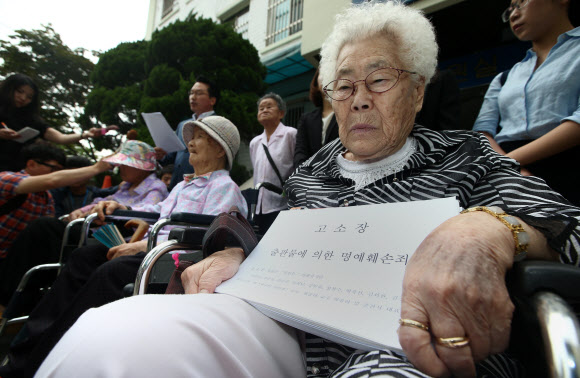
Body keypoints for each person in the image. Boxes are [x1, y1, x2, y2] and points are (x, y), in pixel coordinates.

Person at [32, 2, 580, 378]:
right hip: (286, 327)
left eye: (380, 79)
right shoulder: (313, 172)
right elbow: (271, 233)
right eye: (343, 84)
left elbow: (569, 230)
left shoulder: (467, 156)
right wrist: (233, 250)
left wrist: (491, 229)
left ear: (416, 91)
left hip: (412, 343)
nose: (359, 98)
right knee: (119, 333)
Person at [0, 116, 247, 377]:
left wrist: (142, 245)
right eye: (192, 137)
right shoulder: (183, 186)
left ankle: (48, 359)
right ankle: (26, 351)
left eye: (199, 137)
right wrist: (124, 207)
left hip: (173, 260)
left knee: (111, 271)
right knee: (86, 255)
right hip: (151, 248)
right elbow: (158, 212)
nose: (191, 143)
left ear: (220, 149)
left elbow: (210, 235)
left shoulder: (224, 187)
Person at [472, 0, 580, 205]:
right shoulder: (505, 77)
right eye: (509, 9)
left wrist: (507, 163)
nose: (513, 15)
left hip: (568, 168)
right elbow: (482, 132)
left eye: (520, 3)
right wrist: (513, 170)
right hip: (511, 175)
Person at [0, 143, 111, 308]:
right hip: (5, 260)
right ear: (31, 164)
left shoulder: (46, 198)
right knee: (45, 226)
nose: (57, 174)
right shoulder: (7, 179)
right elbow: (54, 180)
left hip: (19, 259)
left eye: (60, 169)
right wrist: (97, 168)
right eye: (53, 168)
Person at [0, 74, 117, 172]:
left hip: (16, 172)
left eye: (29, 97)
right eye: (20, 92)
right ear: (9, 88)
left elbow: (61, 138)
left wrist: (86, 135)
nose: (23, 98)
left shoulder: (32, 120)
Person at [66, 140, 168, 222]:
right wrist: (82, 210)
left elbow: (148, 214)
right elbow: (105, 201)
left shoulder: (156, 187)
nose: (120, 167)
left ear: (143, 168)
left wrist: (120, 209)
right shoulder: (126, 186)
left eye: (125, 164)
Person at [155, 75, 219, 191]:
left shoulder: (218, 124)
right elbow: (172, 157)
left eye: (199, 93)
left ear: (212, 100)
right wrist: (161, 155)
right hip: (177, 187)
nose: (193, 97)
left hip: (203, 187)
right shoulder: (182, 125)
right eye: (191, 93)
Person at [250, 93, 297, 234]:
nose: (264, 110)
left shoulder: (291, 134)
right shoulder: (255, 142)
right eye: (261, 108)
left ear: (281, 113)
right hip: (260, 207)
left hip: (283, 204)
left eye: (269, 107)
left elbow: (298, 167)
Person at [294, 68, 339, 169]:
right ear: (316, 82)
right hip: (309, 180)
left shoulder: (349, 113)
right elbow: (300, 153)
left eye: (330, 73)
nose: (326, 77)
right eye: (322, 73)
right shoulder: (306, 119)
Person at [50, 156, 117, 218]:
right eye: (71, 174)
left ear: (90, 175)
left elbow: (120, 187)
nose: (75, 178)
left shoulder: (97, 193)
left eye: (79, 174)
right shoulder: (56, 194)